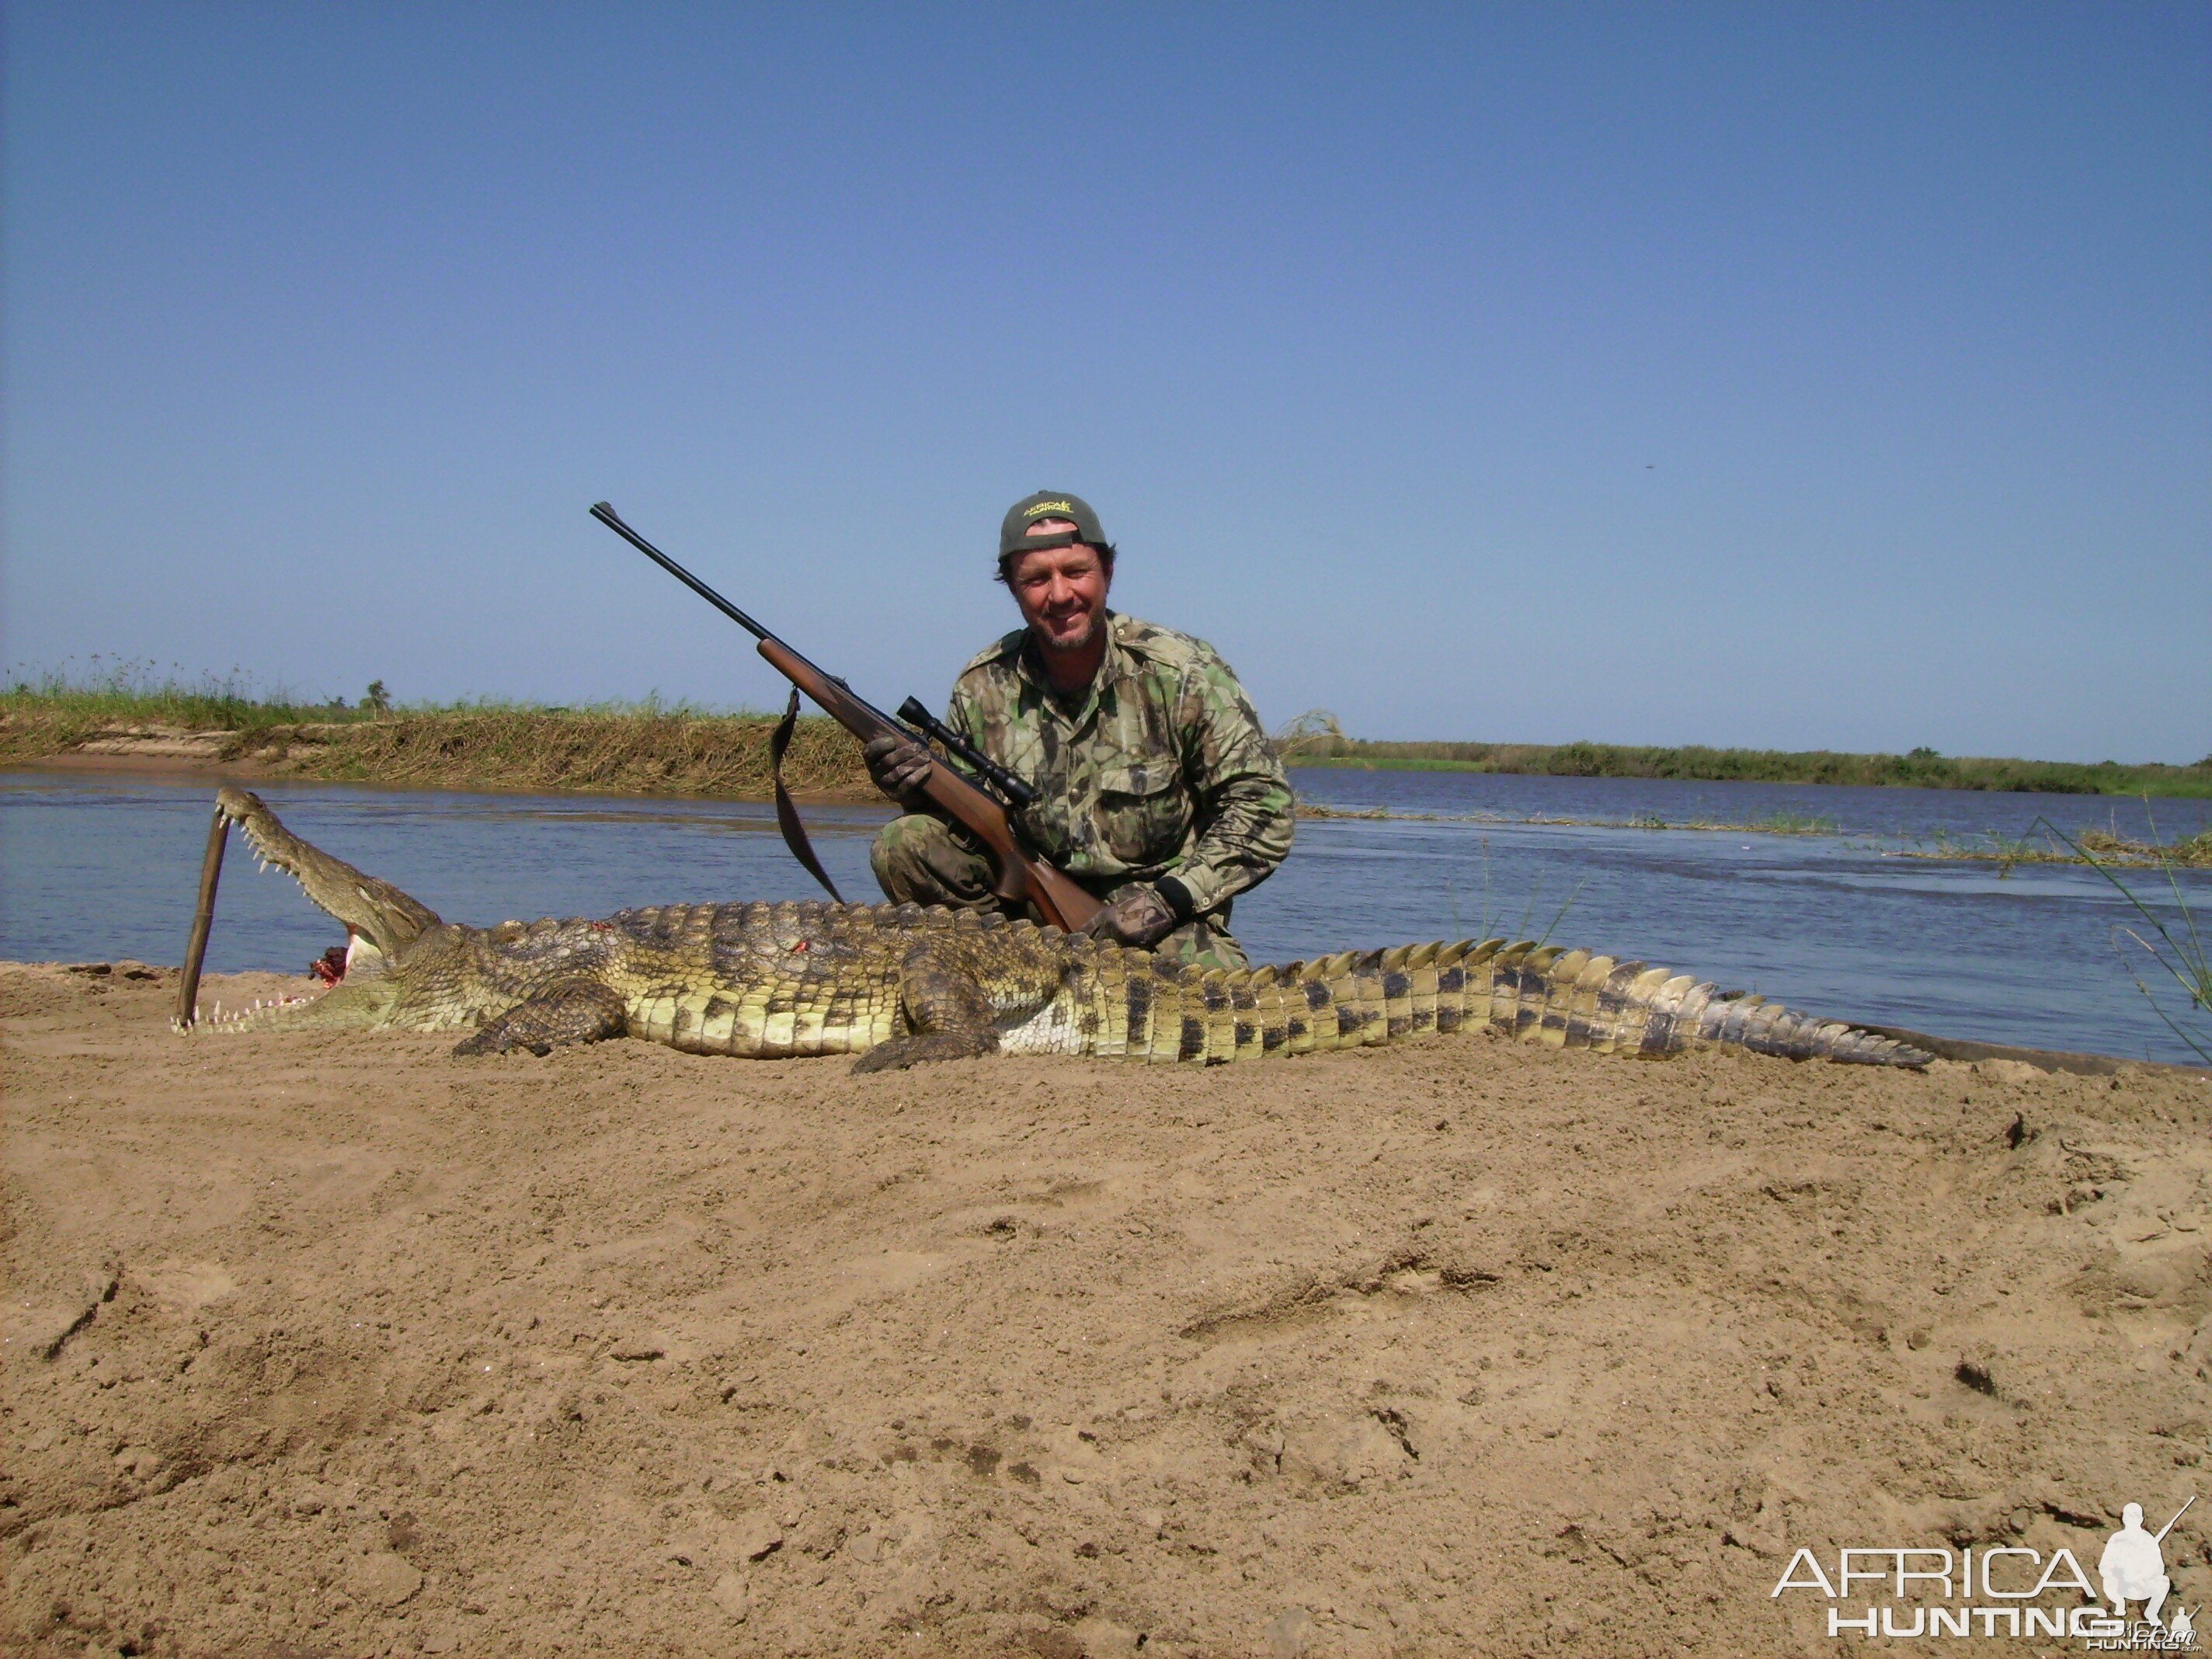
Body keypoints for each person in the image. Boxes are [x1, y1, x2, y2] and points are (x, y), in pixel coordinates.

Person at [864, 490, 1293, 969]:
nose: (1060, 594)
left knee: (1213, 1002)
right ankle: (999, 966)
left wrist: (1172, 899)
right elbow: (967, 826)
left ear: (1107, 572)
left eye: (1075, 571)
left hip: (1155, 916)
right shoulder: (981, 685)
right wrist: (914, 790)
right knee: (905, 842)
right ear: (1011, 587)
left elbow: (1263, 809)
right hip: (1026, 903)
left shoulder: (1183, 673)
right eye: (1036, 579)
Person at [2099, 1503, 2172, 1626]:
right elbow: (2104, 1566)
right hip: (2120, 1587)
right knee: (2108, 1581)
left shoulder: (2148, 1540)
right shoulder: (2117, 1539)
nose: (2132, 1520)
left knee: (2163, 1582)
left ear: (2141, 1519)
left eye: (2135, 1516)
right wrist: (2119, 1570)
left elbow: (2159, 1568)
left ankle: (2152, 1612)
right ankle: (2119, 1604)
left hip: (2141, 1585)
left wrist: (2142, 1573)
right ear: (2124, 1519)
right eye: (2129, 1516)